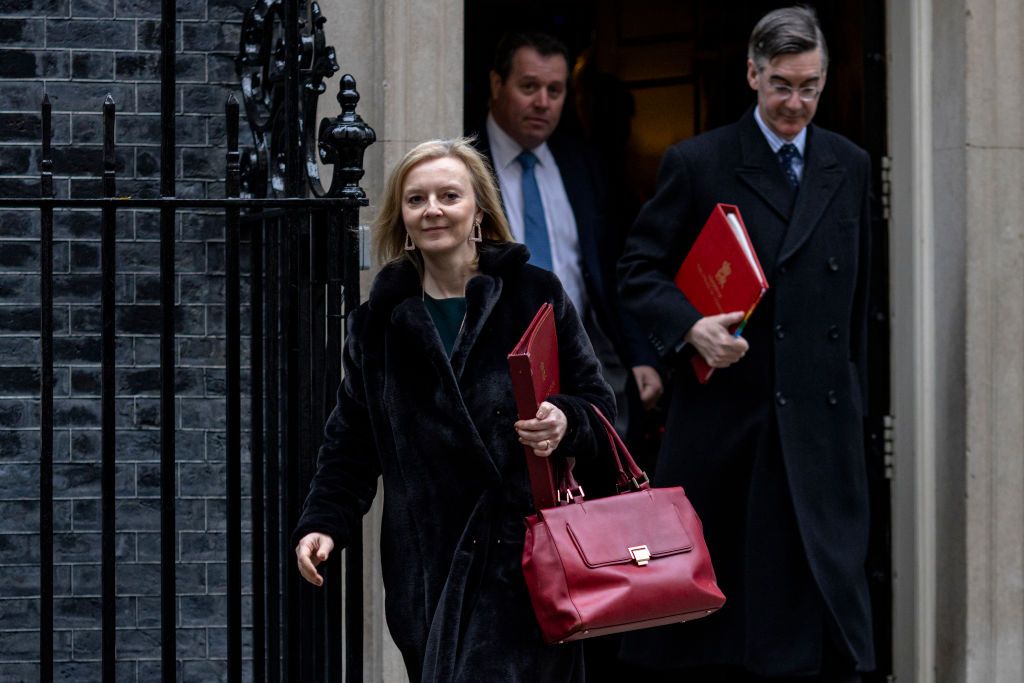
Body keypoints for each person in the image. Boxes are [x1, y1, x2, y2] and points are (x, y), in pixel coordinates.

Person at [292, 138, 616, 681]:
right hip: (428, 565)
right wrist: (324, 523)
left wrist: (565, 419)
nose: (433, 210)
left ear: (479, 212)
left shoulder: (535, 294)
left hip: (528, 558)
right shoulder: (378, 322)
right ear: (402, 216)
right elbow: (351, 441)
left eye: (449, 195)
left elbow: (599, 406)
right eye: (417, 199)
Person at [617, 7, 874, 682]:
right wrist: (689, 329)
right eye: (782, 84)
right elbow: (637, 270)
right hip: (732, 435)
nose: (796, 103)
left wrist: (853, 410)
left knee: (820, 639)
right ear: (752, 74)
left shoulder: (849, 164)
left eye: (810, 87)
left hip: (821, 437)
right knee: (731, 642)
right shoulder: (699, 162)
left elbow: (857, 312)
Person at [473, 31, 663, 450]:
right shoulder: (464, 162)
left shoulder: (584, 165)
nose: (543, 102)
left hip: (586, 357)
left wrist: (640, 356)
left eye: (555, 90)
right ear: (496, 85)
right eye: (529, 87)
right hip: (496, 363)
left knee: (597, 495)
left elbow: (615, 270)